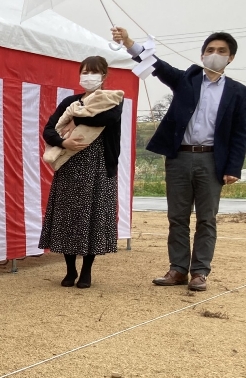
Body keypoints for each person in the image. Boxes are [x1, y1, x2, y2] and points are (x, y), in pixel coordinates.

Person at [113, 27, 246, 292]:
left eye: (221, 51)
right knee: (177, 217)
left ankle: (199, 272)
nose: (214, 55)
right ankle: (178, 269)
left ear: (230, 58)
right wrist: (129, 42)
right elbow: (157, 65)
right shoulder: (188, 79)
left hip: (212, 161)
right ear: (202, 55)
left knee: (207, 219)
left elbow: (240, 133)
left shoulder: (238, 92)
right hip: (180, 157)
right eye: (210, 50)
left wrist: (233, 167)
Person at [39, 57, 124, 288]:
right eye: (85, 72)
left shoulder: (113, 100)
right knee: (69, 218)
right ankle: (70, 270)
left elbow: (103, 118)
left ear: (104, 76)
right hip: (70, 166)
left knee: (92, 218)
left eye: (94, 72)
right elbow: (49, 129)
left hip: (98, 167)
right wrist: (62, 143)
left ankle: (86, 270)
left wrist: (75, 115)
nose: (88, 76)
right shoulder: (70, 101)